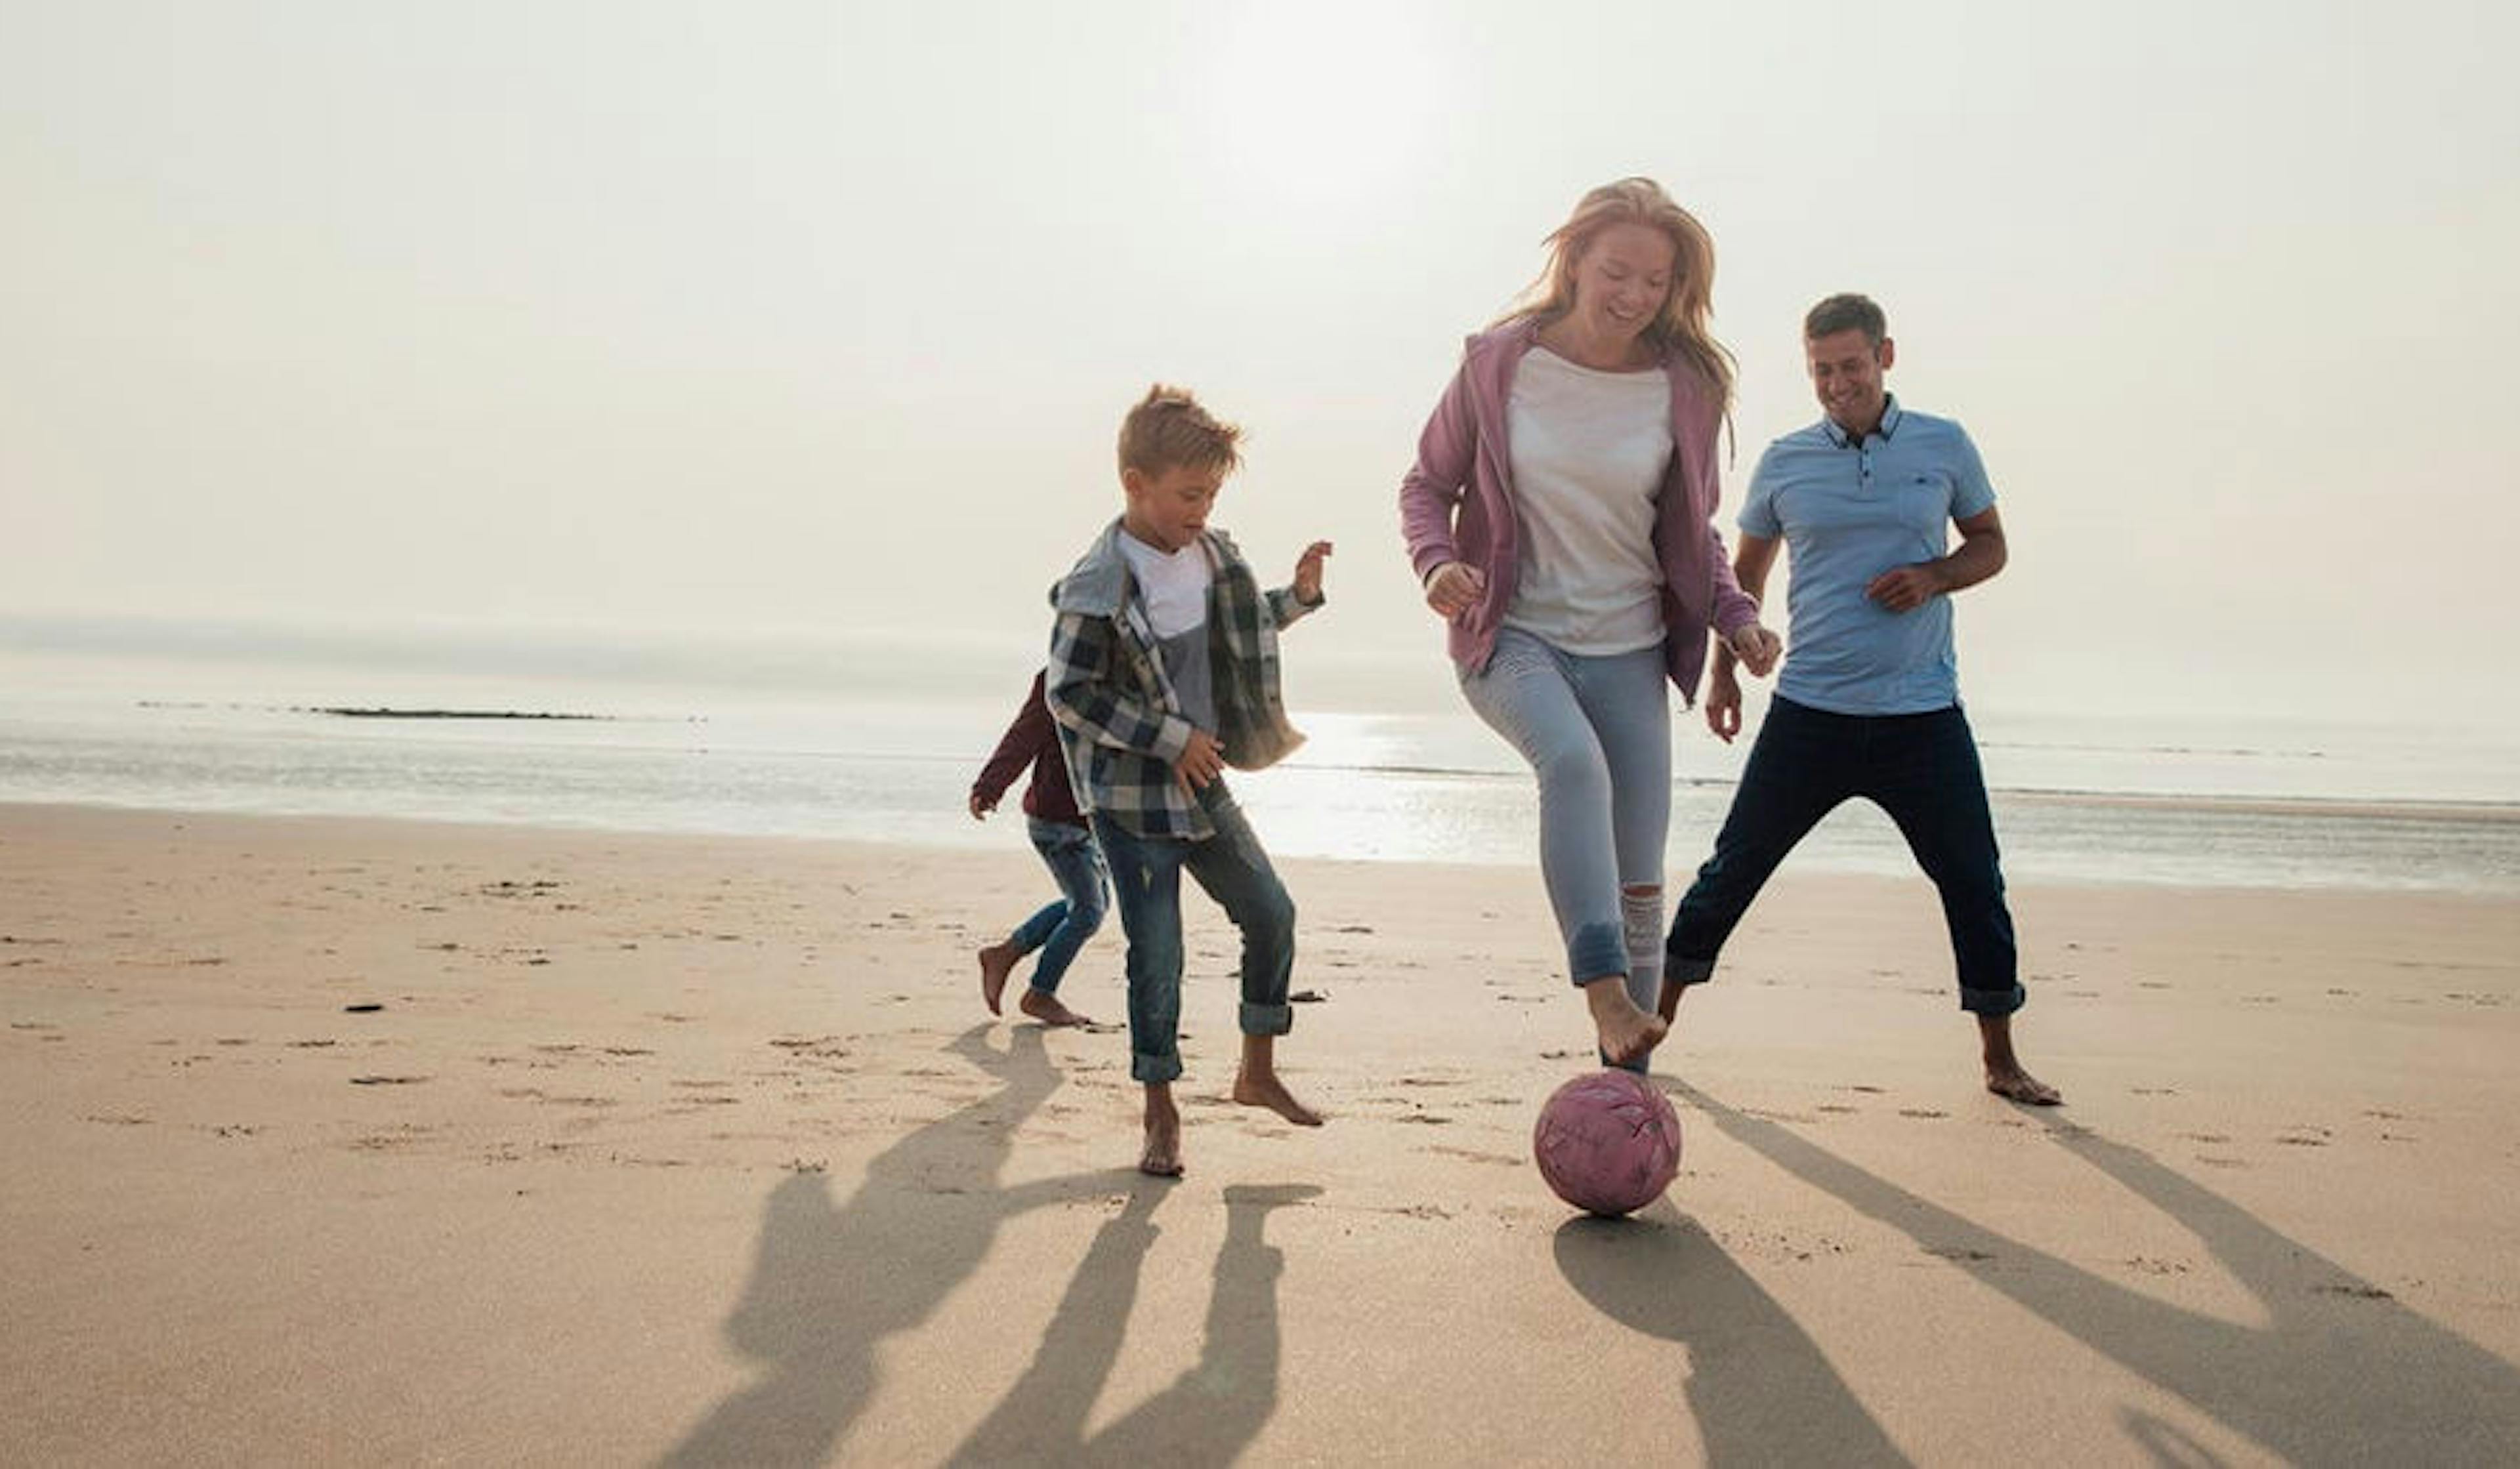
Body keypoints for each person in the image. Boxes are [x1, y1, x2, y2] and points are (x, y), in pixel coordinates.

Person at [1398, 176, 1780, 1071]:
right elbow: (1426, 484)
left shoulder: (1686, 385)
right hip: (1512, 633)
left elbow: (1695, 533)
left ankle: (1630, 1081)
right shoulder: (1498, 364)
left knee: (1643, 883)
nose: (1636, 296)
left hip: (1630, 649)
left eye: (1657, 282)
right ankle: (1605, 993)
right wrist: (1437, 563)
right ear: (1573, 262)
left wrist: (1738, 618)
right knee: (1570, 764)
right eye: (1618, 271)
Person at [1662, 292, 2062, 1105]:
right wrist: (1724, 672)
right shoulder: (1785, 461)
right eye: (1820, 370)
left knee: (1974, 881)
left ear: (1885, 357)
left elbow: (1992, 546)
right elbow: (1744, 580)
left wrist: (1934, 576)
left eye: (1849, 365)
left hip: (1923, 717)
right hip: (1812, 713)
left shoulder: (1943, 446)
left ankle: (2000, 1059)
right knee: (1733, 870)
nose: (1837, 383)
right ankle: (1648, 1024)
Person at [1045, 384, 1334, 1176]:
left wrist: (1300, 598)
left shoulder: (1211, 554)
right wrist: (1169, 736)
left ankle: (1257, 1070)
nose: (1201, 509)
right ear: (1135, 484)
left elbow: (1237, 632)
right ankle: (1160, 1111)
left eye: (1210, 493)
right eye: (1187, 494)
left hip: (1204, 784)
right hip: (1132, 801)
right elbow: (1066, 693)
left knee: (1272, 913)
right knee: (1158, 954)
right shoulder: (1099, 582)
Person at [968, 668, 1106, 1028]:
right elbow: (1024, 736)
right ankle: (1040, 994)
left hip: (1092, 822)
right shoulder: (1060, 678)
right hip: (1057, 820)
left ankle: (1004, 955)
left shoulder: (1126, 675)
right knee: (1088, 911)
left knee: (1090, 903)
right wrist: (990, 786)